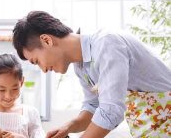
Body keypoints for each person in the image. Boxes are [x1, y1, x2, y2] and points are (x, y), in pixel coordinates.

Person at [12, 11, 171, 138]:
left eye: (36, 61)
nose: (43, 69)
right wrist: (68, 127)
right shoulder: (81, 67)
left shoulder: (107, 43)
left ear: (46, 40)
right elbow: (94, 106)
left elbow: (111, 111)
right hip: (152, 127)